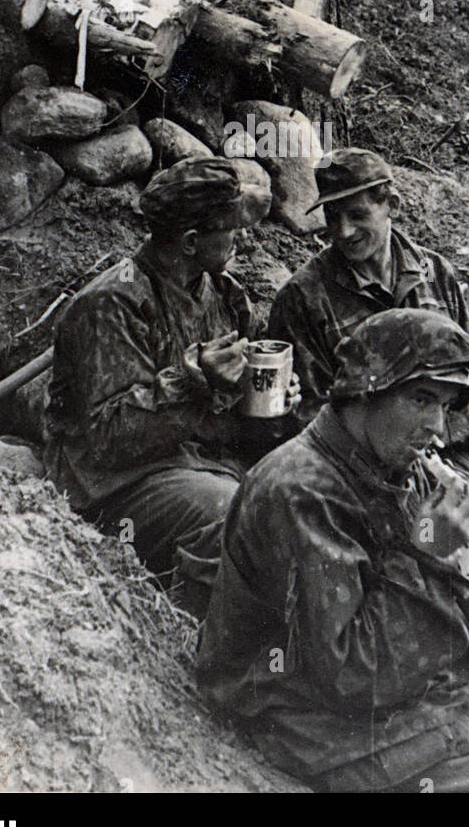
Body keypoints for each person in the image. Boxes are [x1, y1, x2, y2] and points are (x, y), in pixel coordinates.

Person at [196, 308, 469, 793]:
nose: (438, 430)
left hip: (404, 709)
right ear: (365, 390)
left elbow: (438, 592)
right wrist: (434, 550)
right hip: (311, 723)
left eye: (444, 407)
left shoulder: (396, 464)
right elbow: (350, 676)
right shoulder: (302, 492)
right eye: (421, 400)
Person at [44, 156, 297, 615]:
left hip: (200, 462)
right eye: (230, 227)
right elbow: (109, 439)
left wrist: (269, 404)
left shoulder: (224, 294)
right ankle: (218, 649)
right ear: (190, 241)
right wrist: (192, 380)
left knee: (305, 497)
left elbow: (230, 424)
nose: (241, 236)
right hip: (116, 483)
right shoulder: (111, 304)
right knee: (236, 514)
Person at [268, 147, 469, 476]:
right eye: (332, 217)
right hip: (367, 472)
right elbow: (307, 416)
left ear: (392, 205)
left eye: (357, 214)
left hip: (458, 454)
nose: (343, 231)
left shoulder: (435, 272)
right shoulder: (304, 297)